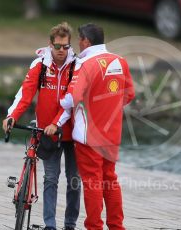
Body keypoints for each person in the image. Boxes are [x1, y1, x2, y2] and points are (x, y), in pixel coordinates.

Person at [48, 23, 135, 230]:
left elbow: (73, 97)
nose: (78, 43)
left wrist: (60, 102)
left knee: (93, 183)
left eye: (79, 39)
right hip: (112, 134)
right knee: (110, 180)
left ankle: (94, 226)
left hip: (88, 136)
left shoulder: (85, 63)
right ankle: (116, 226)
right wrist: (109, 106)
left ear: (86, 41)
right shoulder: (120, 62)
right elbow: (129, 94)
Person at [2, 22, 81, 230]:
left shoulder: (77, 66)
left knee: (74, 181)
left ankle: (70, 225)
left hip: (72, 134)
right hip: (48, 133)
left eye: (65, 46)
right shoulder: (40, 65)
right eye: (57, 46)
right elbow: (25, 94)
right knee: (51, 179)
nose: (62, 51)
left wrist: (57, 123)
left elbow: (71, 101)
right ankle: (50, 226)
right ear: (50, 44)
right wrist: (12, 116)